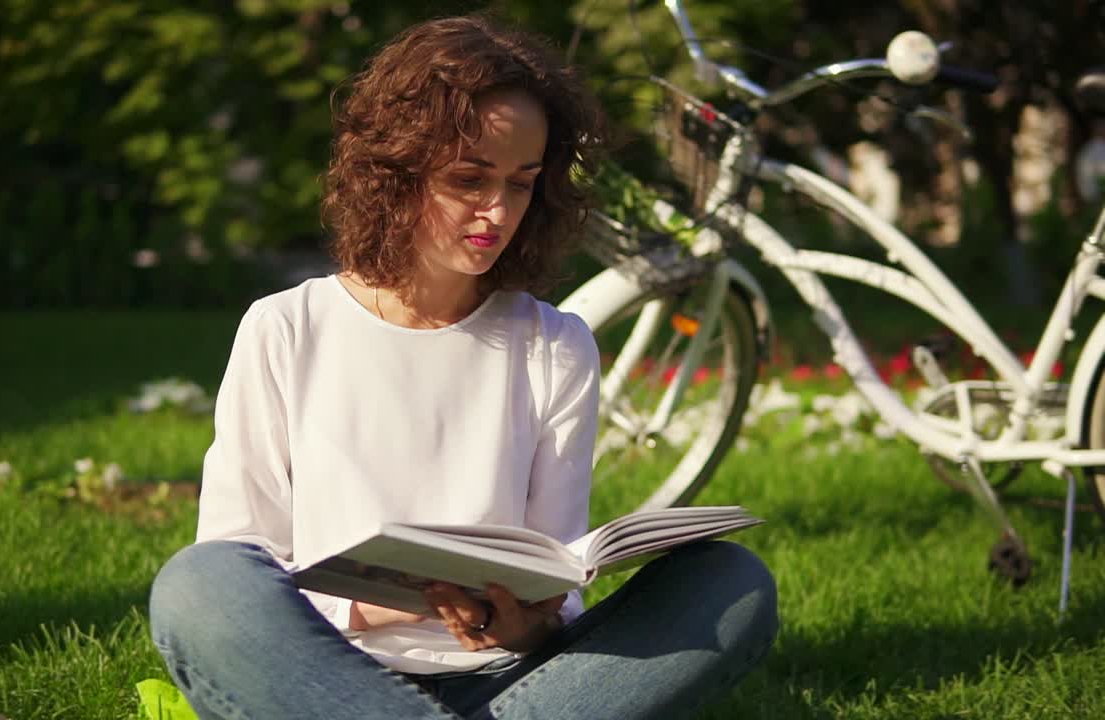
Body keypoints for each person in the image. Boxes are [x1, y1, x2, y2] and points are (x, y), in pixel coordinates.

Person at [149, 15, 777, 720]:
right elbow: (241, 558)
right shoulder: (287, 328)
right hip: (324, 673)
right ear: (397, 170)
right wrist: (371, 608)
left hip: (511, 683)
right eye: (469, 178)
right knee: (196, 585)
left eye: (521, 183)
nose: (497, 210)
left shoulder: (556, 345)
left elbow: (559, 582)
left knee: (730, 581)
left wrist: (525, 623)